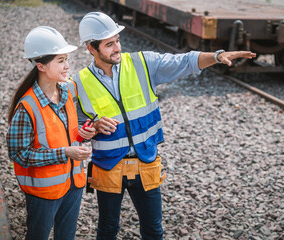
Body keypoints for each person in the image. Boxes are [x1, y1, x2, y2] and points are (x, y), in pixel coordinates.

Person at [72, 12, 256, 240]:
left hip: (145, 162)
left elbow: (185, 61)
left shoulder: (142, 63)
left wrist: (217, 56)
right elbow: (77, 128)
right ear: (92, 48)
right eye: (109, 44)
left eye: (118, 40)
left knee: (153, 230)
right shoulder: (79, 82)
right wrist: (92, 128)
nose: (117, 47)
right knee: (107, 230)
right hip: (108, 167)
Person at [6, 26, 96, 240]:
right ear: (41, 66)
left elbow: (66, 134)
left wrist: (83, 135)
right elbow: (19, 154)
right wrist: (64, 152)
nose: (67, 66)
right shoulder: (26, 107)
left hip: (73, 185)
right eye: (60, 60)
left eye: (66, 59)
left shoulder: (68, 91)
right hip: (43, 192)